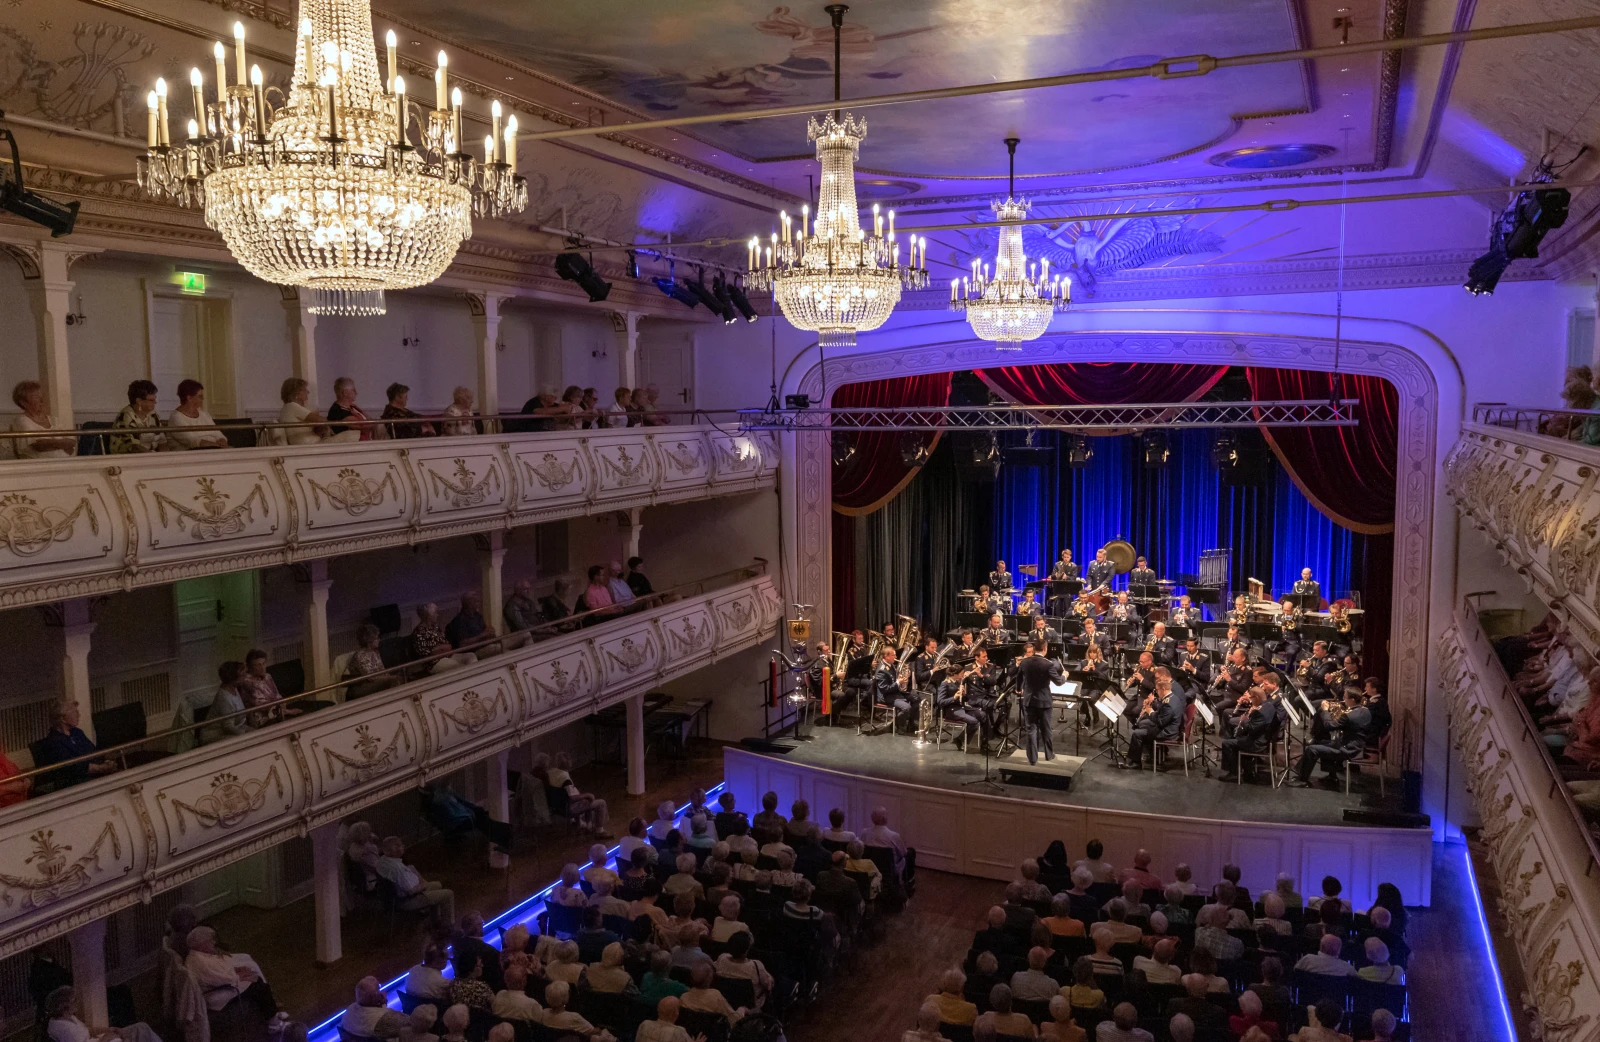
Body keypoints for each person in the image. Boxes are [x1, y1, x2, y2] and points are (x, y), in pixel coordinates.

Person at [185, 926, 275, 1021]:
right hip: (216, 993)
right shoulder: (200, 962)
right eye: (210, 941)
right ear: (202, 944)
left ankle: (272, 1012)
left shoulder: (197, 955)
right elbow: (221, 979)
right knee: (258, 985)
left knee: (253, 976)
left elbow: (218, 972)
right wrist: (241, 974)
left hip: (218, 986)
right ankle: (274, 1023)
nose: (214, 943)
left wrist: (236, 970)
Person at [35, 698, 117, 787]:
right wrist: (100, 768)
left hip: (93, 775)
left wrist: (106, 762)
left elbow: (93, 752)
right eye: (75, 713)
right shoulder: (53, 742)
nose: (79, 715)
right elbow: (72, 767)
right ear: (63, 718)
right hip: (75, 782)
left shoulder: (77, 732)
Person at [376, 836, 455, 925]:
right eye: (400, 845)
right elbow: (412, 890)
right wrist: (417, 874)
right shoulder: (398, 868)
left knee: (438, 885)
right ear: (397, 849)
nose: (403, 846)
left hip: (391, 898)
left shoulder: (381, 860)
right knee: (448, 893)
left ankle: (436, 920)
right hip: (407, 900)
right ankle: (447, 926)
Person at [43, 984, 163, 1042]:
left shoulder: (70, 1017)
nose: (76, 1003)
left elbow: (88, 1030)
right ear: (64, 1006)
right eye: (73, 1001)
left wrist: (109, 1029)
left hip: (98, 1040)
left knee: (142, 1027)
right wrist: (106, 1039)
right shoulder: (62, 1029)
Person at [1018, 641, 1067, 763]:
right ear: (1045, 648)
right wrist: (1065, 675)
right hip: (1044, 701)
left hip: (1029, 700)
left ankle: (1032, 759)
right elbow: (1059, 682)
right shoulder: (1048, 664)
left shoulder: (1024, 662)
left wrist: (1019, 689)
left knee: (1031, 729)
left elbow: (1019, 678)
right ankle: (1049, 755)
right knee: (1046, 729)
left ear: (1034, 649)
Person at [237, 649, 299, 726]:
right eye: (258, 665)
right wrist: (285, 710)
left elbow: (277, 695)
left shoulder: (267, 676)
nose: (262, 667)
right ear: (250, 667)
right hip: (261, 720)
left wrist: (283, 705)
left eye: (264, 663)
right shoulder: (247, 682)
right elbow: (262, 705)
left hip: (277, 713)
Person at [165, 379, 228, 449]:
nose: (203, 399)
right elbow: (192, 441)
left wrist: (222, 440)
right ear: (189, 398)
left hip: (214, 450)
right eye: (200, 396)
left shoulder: (204, 414)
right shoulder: (176, 418)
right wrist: (216, 445)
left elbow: (218, 434)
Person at [202, 661, 253, 745]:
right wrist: (245, 735)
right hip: (215, 735)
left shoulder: (234, 688)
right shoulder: (224, 698)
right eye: (242, 675)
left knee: (257, 733)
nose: (245, 677)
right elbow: (228, 727)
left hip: (236, 727)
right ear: (233, 678)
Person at [453, 914, 506, 992]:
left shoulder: (458, 947)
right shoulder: (487, 950)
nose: (483, 926)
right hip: (490, 992)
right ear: (477, 927)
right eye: (481, 923)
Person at [339, 976, 404, 1040]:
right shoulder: (386, 1018)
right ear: (377, 997)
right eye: (379, 989)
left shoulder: (348, 1011)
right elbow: (410, 1023)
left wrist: (382, 1005)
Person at [110, 379, 165, 453]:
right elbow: (134, 447)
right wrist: (154, 458)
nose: (155, 402)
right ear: (139, 401)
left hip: (151, 457)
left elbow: (163, 442)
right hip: (128, 459)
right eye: (151, 400)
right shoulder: (126, 417)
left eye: (155, 399)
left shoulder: (153, 416)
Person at [274, 378, 326, 446]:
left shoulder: (287, 407)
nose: (308, 392)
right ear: (296, 393)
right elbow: (320, 420)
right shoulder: (293, 406)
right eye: (304, 389)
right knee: (345, 436)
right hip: (311, 444)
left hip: (309, 443)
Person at [326, 377, 373, 442]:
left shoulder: (353, 407)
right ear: (345, 393)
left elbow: (369, 422)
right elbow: (363, 426)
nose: (356, 392)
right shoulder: (337, 411)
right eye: (353, 390)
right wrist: (371, 422)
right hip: (351, 446)